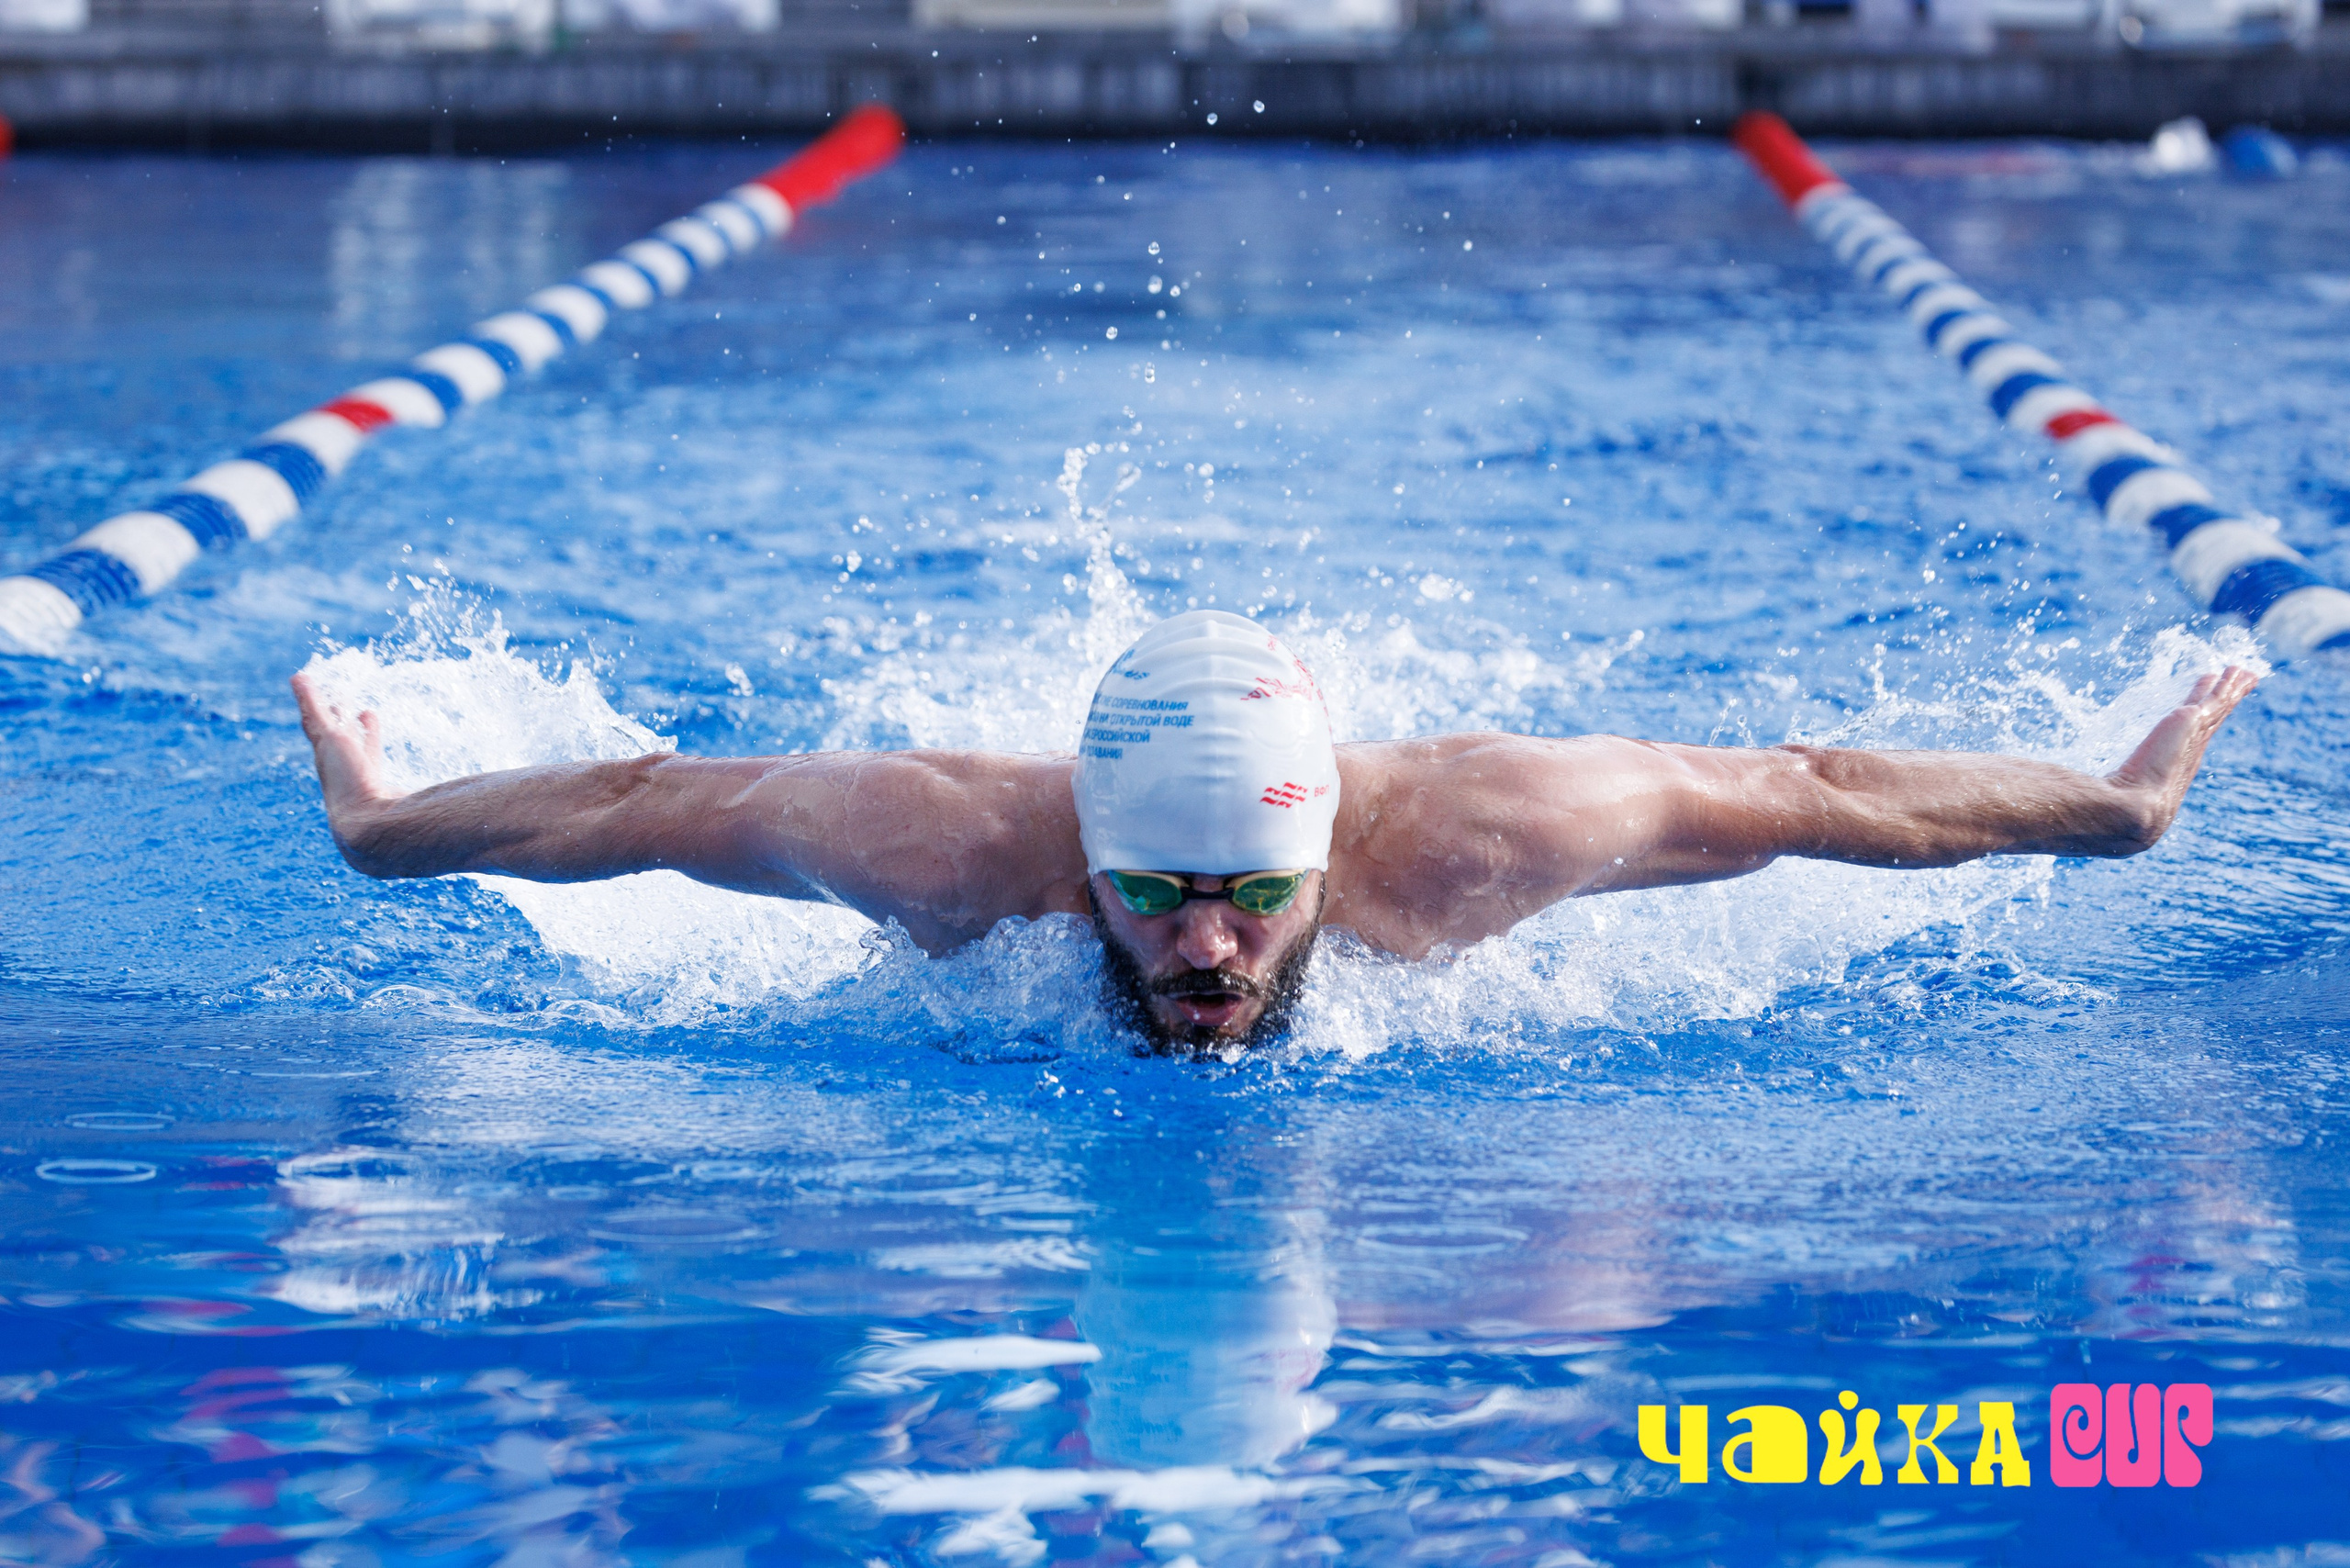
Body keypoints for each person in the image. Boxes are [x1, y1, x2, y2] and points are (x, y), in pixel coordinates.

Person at [293, 610, 2256, 1053]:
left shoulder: (1486, 836)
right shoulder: (949, 843)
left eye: (1251, 900)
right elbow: (642, 805)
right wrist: (388, 826)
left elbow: (1808, 784)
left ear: (1330, 861)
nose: (1204, 950)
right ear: (1087, 854)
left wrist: (2113, 804)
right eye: (1155, 898)